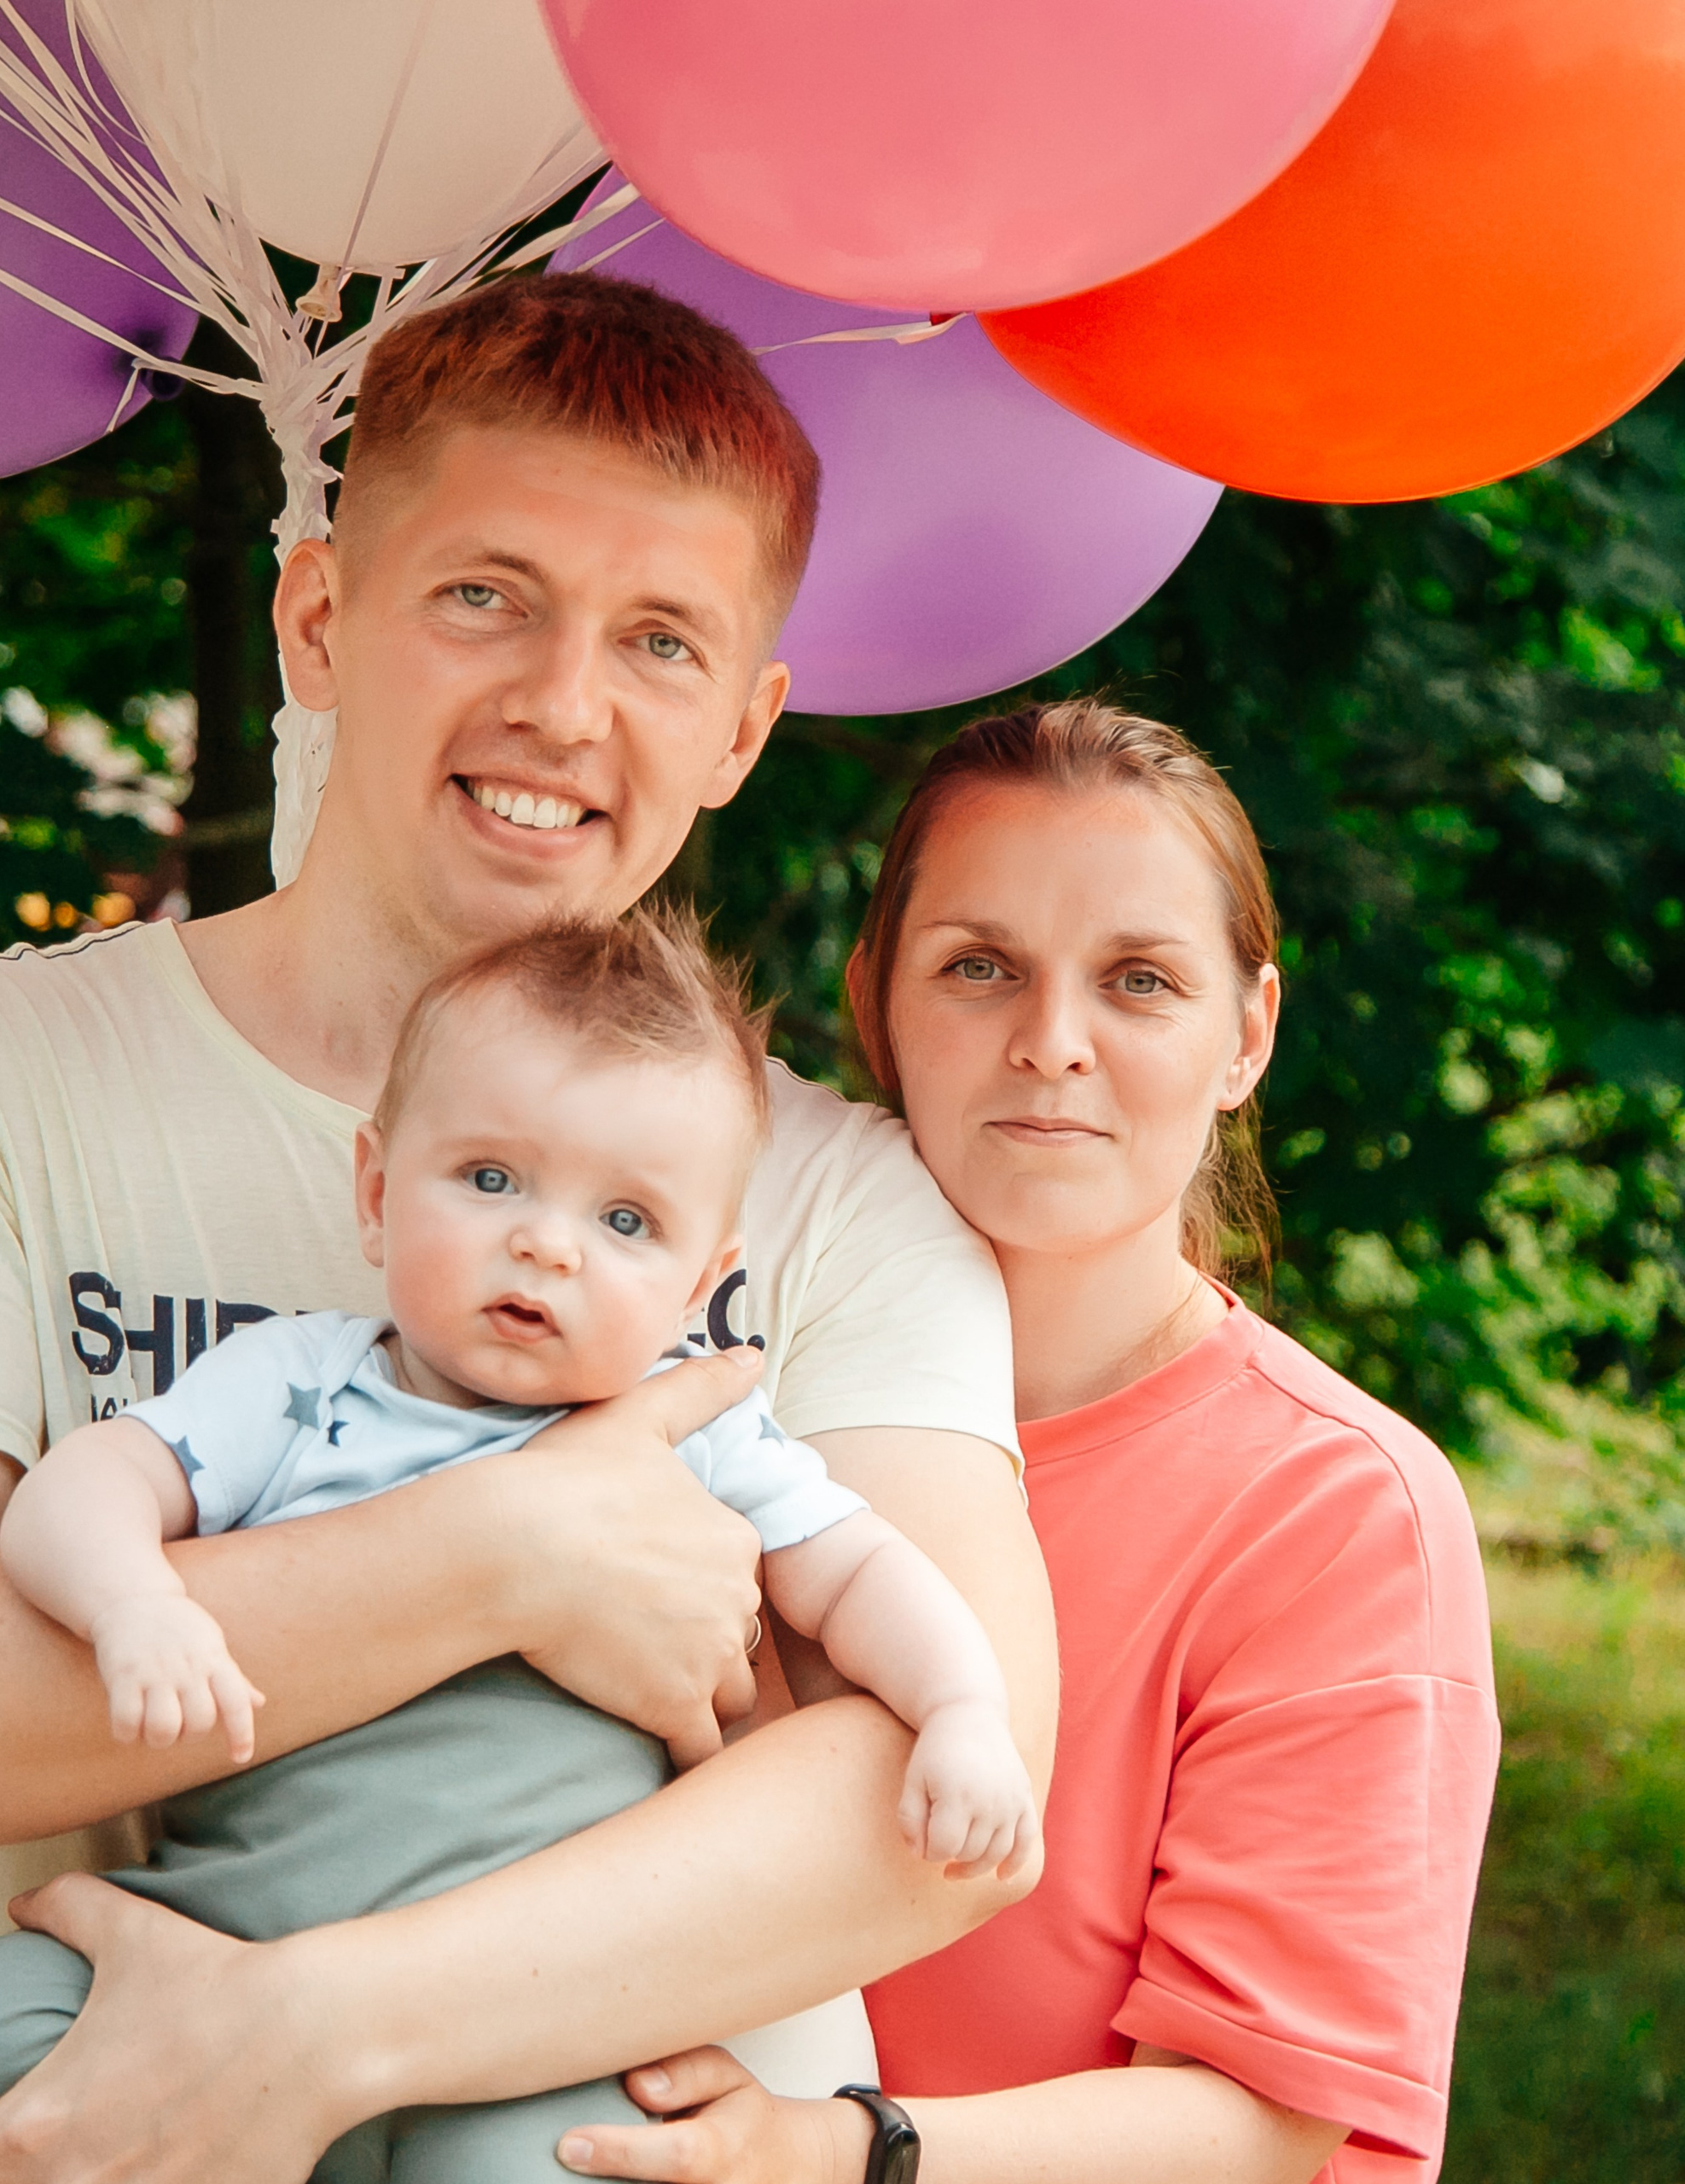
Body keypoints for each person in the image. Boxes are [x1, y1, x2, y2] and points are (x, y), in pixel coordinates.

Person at [0, 273, 1058, 2184]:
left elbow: (937, 1810)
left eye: (661, 640)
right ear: (319, 616)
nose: (562, 706)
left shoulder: (845, 1199)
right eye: (485, 594)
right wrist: (508, 1552)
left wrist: (313, 2039)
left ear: (743, 729)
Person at [0, 909, 1037, 2175]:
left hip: (523, 2020)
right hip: (223, 1926)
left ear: (699, 1283)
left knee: (536, 2167)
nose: (546, 1242)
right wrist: (133, 1603)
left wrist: (963, 1710)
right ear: (377, 1193)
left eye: (625, 1222)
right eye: (492, 1180)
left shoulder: (703, 1434)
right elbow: (79, 1488)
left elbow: (865, 1573)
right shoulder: (298, 1385)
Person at [553, 700, 1500, 2184]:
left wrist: (838, 2155)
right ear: (876, 1004)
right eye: (980, 967)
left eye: (1139, 981)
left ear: (1248, 1034)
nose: (1053, 1045)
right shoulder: (700, 1384)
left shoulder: (1336, 1508)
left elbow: (1260, 2116)